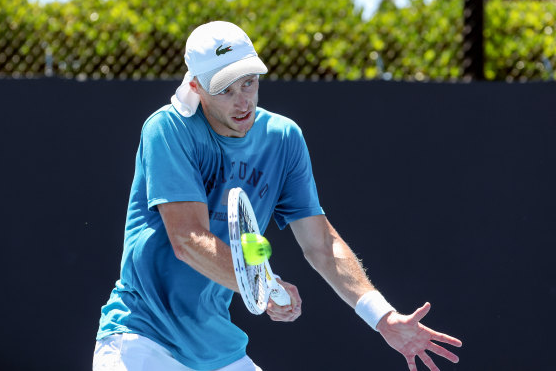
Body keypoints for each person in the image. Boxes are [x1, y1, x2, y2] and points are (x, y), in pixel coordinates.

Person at [94, 21, 462, 371]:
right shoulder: (168, 129)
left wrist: (381, 315)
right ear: (195, 88)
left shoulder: (283, 139)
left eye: (249, 84)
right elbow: (188, 240)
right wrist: (263, 287)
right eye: (225, 90)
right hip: (140, 340)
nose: (242, 102)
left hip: (217, 348)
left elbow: (320, 242)